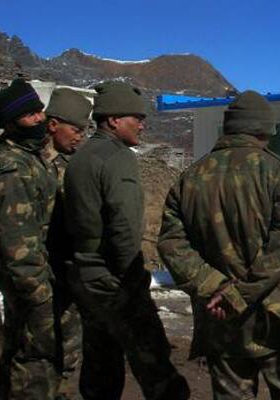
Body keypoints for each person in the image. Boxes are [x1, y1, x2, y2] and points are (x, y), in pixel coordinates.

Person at [158, 90, 280, 400]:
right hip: (279, 317)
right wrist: (241, 293)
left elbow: (171, 244)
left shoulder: (189, 178)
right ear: (265, 129)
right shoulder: (278, 172)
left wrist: (216, 286)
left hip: (221, 320)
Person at [62, 81, 189, 400]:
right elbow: (124, 227)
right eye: (136, 117)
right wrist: (133, 280)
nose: (143, 124)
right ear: (114, 120)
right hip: (115, 282)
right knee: (156, 367)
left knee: (100, 368)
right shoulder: (117, 157)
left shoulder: (81, 157)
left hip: (86, 277)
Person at [0, 78, 60, 399]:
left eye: (39, 111)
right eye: (29, 115)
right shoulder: (10, 167)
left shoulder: (31, 157)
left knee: (22, 354)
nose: (39, 119)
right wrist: (40, 295)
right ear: (11, 123)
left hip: (34, 277)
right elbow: (18, 244)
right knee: (35, 364)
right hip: (27, 284)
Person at [41, 87, 92, 399]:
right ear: (53, 125)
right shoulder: (30, 165)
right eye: (75, 129)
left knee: (69, 350)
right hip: (39, 276)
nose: (79, 137)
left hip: (67, 273)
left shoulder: (71, 164)